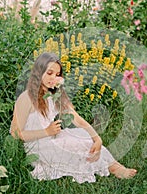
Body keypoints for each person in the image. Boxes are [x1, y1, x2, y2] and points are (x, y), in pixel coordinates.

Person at [10, 52, 137, 183]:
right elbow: (15, 133)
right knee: (76, 155)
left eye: (57, 75)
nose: (53, 78)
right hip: (38, 146)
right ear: (38, 72)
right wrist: (46, 132)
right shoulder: (26, 98)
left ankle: (115, 166)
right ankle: (112, 168)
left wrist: (97, 138)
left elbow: (76, 118)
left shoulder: (54, 95)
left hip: (54, 136)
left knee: (85, 140)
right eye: (49, 73)